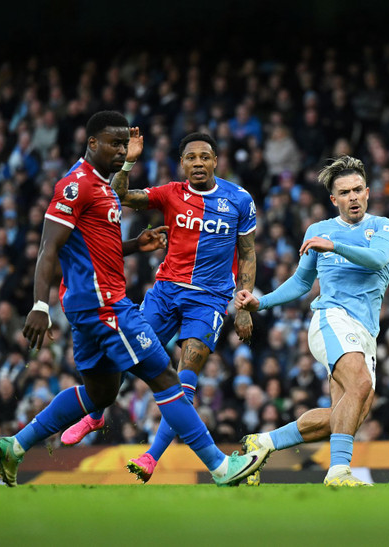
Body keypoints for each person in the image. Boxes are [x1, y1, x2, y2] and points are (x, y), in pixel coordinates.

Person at [0, 111, 268, 487]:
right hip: (106, 306)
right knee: (166, 378)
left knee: (101, 390)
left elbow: (95, 249)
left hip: (101, 304)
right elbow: (47, 248)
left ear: (217, 160)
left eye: (125, 144)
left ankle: (16, 445)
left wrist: (135, 246)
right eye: (114, 144)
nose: (121, 150)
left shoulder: (101, 187)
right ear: (92, 144)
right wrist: (40, 305)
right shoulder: (78, 185)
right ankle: (220, 467)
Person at [62, 131, 258, 483]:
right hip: (165, 292)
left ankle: (153, 455)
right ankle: (96, 412)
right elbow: (119, 194)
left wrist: (243, 305)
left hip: (210, 299)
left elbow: (247, 253)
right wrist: (130, 160)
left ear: (216, 161)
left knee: (185, 375)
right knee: (126, 355)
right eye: (191, 158)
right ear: (182, 163)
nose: (198, 163)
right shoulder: (169, 193)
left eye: (205, 157)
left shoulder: (239, 199)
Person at [235, 155, 389, 486]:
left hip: (366, 331)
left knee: (346, 415)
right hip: (332, 319)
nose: (352, 197)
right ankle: (338, 472)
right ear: (333, 199)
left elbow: (377, 259)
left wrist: (334, 245)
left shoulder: (384, 227)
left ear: (367, 192)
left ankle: (262, 443)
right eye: (345, 192)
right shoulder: (318, 230)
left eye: (357, 190)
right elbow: (301, 282)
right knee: (361, 385)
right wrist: (260, 302)